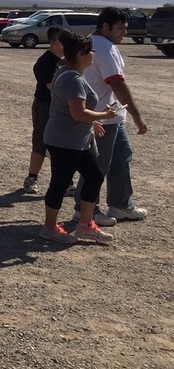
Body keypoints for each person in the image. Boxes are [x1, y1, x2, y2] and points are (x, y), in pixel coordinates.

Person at [39, 30, 118, 244]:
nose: (93, 54)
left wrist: (92, 122)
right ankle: (49, 228)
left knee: (94, 175)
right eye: (90, 51)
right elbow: (78, 113)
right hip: (65, 141)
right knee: (60, 183)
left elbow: (69, 108)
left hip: (77, 140)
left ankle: (85, 225)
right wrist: (105, 115)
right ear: (81, 54)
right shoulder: (72, 78)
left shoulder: (68, 71)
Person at [75, 6, 149, 223]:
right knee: (98, 165)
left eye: (125, 28)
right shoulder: (104, 48)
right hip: (102, 116)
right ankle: (85, 209)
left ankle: (121, 205)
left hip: (112, 115)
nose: (124, 32)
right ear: (105, 26)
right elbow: (116, 83)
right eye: (120, 28)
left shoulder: (94, 42)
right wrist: (137, 114)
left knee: (121, 159)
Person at [22, 26, 64, 194]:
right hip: (45, 106)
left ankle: (65, 182)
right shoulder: (44, 62)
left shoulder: (65, 61)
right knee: (41, 141)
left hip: (61, 107)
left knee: (63, 145)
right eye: (62, 41)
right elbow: (54, 88)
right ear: (53, 42)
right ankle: (31, 178)